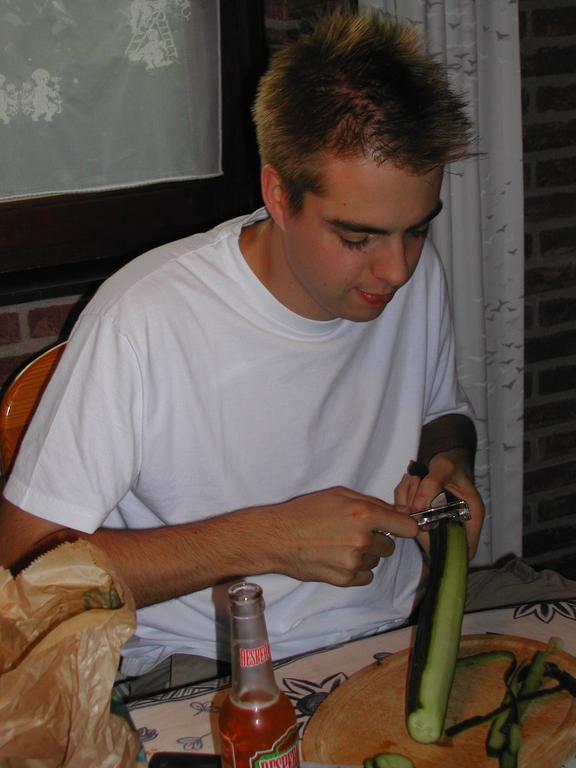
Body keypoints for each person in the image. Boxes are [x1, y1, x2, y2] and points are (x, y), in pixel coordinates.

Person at [0, 11, 484, 694]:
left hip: (398, 636)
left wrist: (451, 464)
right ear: (278, 195)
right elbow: (23, 560)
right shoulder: (145, 317)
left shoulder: (415, 273)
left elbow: (442, 409)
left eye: (416, 231)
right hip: (207, 670)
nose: (396, 271)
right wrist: (262, 541)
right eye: (357, 239)